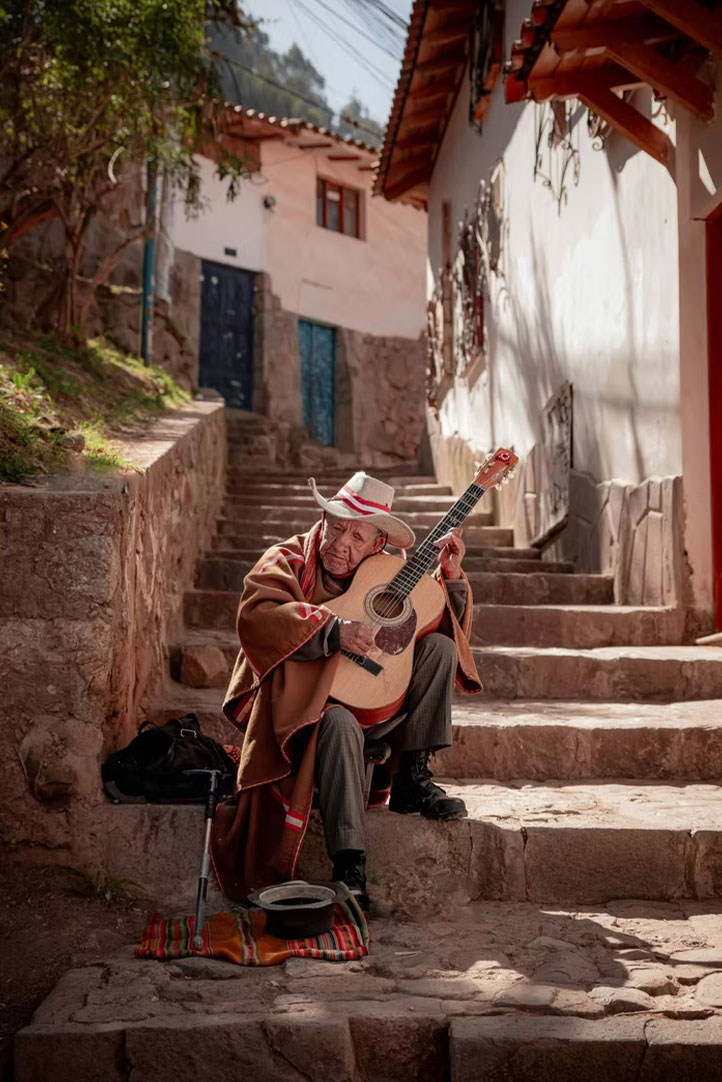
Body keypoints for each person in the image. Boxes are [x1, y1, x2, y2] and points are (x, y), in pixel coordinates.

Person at [211, 472, 482, 910]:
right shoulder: (287, 559)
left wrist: (450, 579)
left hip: (380, 709)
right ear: (323, 516)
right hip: (304, 720)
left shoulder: (387, 572)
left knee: (439, 648)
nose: (342, 544)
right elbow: (258, 614)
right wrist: (332, 629)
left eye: (358, 537)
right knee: (337, 722)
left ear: (378, 544)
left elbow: (434, 619)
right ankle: (350, 865)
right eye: (337, 527)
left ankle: (413, 779)